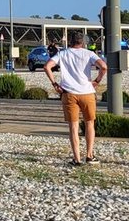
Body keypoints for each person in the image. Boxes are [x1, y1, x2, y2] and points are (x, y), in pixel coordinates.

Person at [44, 31, 108, 166]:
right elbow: (103, 66)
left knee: (73, 126)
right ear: (83, 42)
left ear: (69, 42)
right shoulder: (89, 53)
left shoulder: (63, 53)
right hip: (87, 92)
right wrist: (97, 81)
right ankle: (90, 155)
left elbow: (47, 66)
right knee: (89, 123)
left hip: (69, 93)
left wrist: (55, 83)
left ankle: (77, 158)